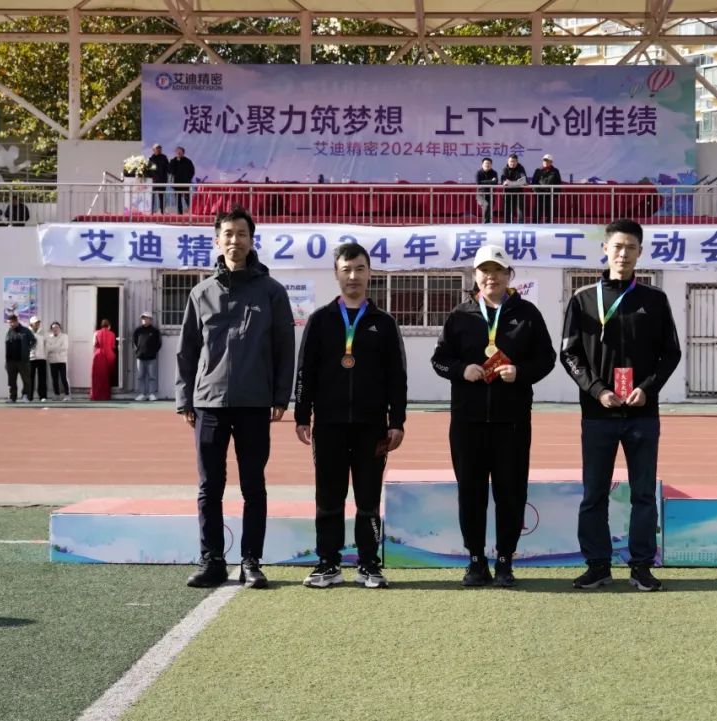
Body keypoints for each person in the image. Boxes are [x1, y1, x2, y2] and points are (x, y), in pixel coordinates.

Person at [176, 206, 295, 589]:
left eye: (241, 234)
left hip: (255, 402)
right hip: (208, 403)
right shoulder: (201, 293)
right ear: (217, 240)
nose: (235, 241)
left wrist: (281, 396)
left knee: (253, 486)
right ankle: (211, 560)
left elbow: (284, 347)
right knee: (209, 487)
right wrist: (185, 398)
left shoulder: (271, 292)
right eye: (228, 234)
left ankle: (250, 562)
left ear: (251, 240)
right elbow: (187, 350)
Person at [561, 219, 681, 592]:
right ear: (605, 249)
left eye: (630, 247)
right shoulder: (583, 299)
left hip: (642, 415)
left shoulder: (654, 300)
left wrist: (647, 388)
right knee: (594, 494)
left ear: (640, 252)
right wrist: (597, 390)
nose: (623, 254)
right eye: (617, 246)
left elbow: (671, 354)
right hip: (598, 414)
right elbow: (570, 354)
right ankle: (597, 565)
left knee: (643, 495)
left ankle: (641, 566)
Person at [431, 245, 556, 587]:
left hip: (511, 423)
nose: (491, 277)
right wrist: (461, 370)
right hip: (467, 423)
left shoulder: (527, 314)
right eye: (485, 270)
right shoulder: (460, 316)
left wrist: (521, 372)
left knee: (510, 493)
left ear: (508, 275)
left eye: (498, 270)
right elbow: (439, 360)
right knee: (470, 493)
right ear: (475, 276)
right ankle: (475, 561)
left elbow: (547, 359)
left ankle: (504, 561)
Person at [295, 243, 408, 590]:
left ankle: (369, 564)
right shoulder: (320, 320)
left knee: (368, 499)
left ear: (370, 273)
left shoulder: (384, 323)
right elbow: (305, 371)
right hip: (328, 425)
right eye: (346, 269)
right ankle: (328, 563)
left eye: (360, 269)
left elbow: (397, 376)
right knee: (328, 497)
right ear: (336, 274)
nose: (353, 276)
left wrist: (397, 421)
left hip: (371, 427)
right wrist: (302, 414)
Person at [3, 314, 34, 403]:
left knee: (26, 380)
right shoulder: (9, 332)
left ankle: (25, 396)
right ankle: (12, 397)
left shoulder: (26, 331)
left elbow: (34, 341)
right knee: (11, 381)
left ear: (16, 321)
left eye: (12, 322)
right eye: (9, 323)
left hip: (23, 360)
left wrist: (28, 349)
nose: (11, 324)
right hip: (11, 361)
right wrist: (6, 361)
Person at [133, 311, 162, 401]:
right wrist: (138, 351)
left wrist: (153, 352)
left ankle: (151, 394)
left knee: (152, 377)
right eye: (142, 318)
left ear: (150, 319)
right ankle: (142, 394)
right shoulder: (138, 330)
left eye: (145, 318)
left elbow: (159, 343)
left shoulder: (155, 331)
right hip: (140, 357)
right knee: (140, 377)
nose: (144, 320)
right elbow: (134, 342)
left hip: (151, 358)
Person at [531, 153, 563, 224]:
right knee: (537, 211)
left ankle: (550, 225)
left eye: (547, 161)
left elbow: (558, 183)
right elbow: (534, 182)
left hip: (550, 194)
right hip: (539, 195)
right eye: (544, 161)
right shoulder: (538, 170)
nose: (545, 162)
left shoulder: (555, 171)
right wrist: (536, 192)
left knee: (550, 212)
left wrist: (555, 194)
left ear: (551, 162)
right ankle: (535, 224)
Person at [90, 319, 117, 401]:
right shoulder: (112, 334)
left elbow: (94, 344)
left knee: (97, 376)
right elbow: (113, 346)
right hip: (109, 355)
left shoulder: (96, 333)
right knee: (107, 376)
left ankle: (96, 395)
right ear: (109, 326)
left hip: (98, 355)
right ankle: (105, 395)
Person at [45, 321, 71, 401]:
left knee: (64, 378)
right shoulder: (49, 338)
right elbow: (47, 348)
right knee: (54, 379)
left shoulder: (64, 336)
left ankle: (67, 394)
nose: (55, 329)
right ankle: (57, 394)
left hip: (62, 360)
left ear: (60, 328)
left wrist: (53, 347)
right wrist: (57, 347)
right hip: (52, 361)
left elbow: (65, 347)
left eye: (57, 327)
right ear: (51, 329)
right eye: (53, 328)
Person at [500, 154, 528, 223]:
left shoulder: (520, 168)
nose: (512, 163)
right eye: (511, 161)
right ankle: (507, 224)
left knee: (520, 210)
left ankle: (521, 224)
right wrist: (517, 182)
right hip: (508, 192)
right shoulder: (505, 169)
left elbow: (524, 180)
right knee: (508, 210)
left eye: (514, 161)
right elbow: (504, 181)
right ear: (508, 161)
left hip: (519, 192)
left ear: (517, 161)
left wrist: (511, 183)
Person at [169, 146, 196, 215]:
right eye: (177, 152)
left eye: (180, 152)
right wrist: (176, 162)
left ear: (183, 153)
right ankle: (180, 214)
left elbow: (192, 171)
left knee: (187, 199)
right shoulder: (173, 161)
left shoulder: (188, 161)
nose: (179, 153)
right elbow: (170, 170)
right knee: (178, 200)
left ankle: (192, 212)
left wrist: (188, 179)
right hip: (176, 184)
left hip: (185, 184)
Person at [28, 316, 48, 403]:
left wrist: (45, 355)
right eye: (36, 323)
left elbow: (46, 344)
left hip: (42, 358)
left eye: (38, 323)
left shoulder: (43, 332)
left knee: (42, 378)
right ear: (31, 324)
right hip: (31, 359)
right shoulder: (27, 332)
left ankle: (42, 396)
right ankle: (29, 396)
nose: (37, 324)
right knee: (30, 378)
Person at [475, 157, 499, 223]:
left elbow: (495, 183)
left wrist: (484, 181)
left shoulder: (494, 173)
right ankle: (485, 222)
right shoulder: (479, 173)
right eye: (486, 163)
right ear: (482, 164)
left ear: (491, 165)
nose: (487, 165)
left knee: (490, 208)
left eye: (489, 163)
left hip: (491, 194)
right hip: (481, 194)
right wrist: (490, 181)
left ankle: (487, 223)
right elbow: (478, 183)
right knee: (486, 205)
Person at [149, 143, 170, 214]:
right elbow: (151, 170)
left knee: (162, 196)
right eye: (157, 148)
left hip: (162, 180)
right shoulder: (151, 159)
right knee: (152, 196)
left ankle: (162, 211)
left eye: (159, 148)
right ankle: (151, 211)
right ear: (153, 150)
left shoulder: (164, 157)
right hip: (154, 181)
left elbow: (168, 168)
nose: (159, 150)